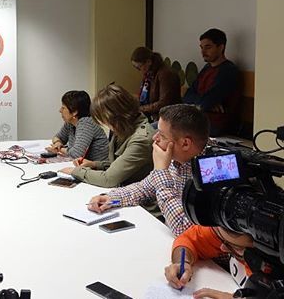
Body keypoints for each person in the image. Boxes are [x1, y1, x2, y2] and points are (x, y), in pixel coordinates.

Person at [87, 104, 209, 235]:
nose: (154, 138)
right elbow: (144, 189)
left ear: (185, 143)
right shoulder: (177, 159)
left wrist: (161, 171)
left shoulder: (213, 170)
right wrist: (110, 198)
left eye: (161, 135)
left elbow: (184, 229)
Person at [61, 84, 154, 188]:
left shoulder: (141, 139)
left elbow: (108, 179)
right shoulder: (125, 127)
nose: (105, 123)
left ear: (116, 115)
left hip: (137, 199)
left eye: (104, 119)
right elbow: (116, 164)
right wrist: (94, 164)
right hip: (123, 189)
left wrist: (77, 171)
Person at [164, 225, 255, 298]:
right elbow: (189, 240)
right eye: (222, 239)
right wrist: (182, 261)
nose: (222, 248)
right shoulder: (228, 232)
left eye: (237, 248)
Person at [183, 28, 240, 136]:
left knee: (162, 133)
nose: (203, 52)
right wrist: (202, 102)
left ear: (221, 47)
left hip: (215, 126)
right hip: (197, 121)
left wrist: (202, 103)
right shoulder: (207, 68)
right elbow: (187, 96)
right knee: (155, 130)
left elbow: (207, 102)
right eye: (201, 47)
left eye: (208, 47)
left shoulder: (228, 71)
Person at [46, 90, 108, 162]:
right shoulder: (70, 122)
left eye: (63, 108)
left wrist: (58, 149)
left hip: (99, 168)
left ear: (74, 112)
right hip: (84, 165)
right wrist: (58, 143)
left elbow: (76, 154)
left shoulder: (86, 123)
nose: (60, 110)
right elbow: (57, 137)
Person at [131, 47, 181, 122]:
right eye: (136, 68)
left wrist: (141, 109)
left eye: (139, 67)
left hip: (167, 118)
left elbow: (164, 103)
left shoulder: (166, 74)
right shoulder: (149, 73)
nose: (139, 70)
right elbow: (143, 96)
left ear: (148, 62)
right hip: (153, 115)